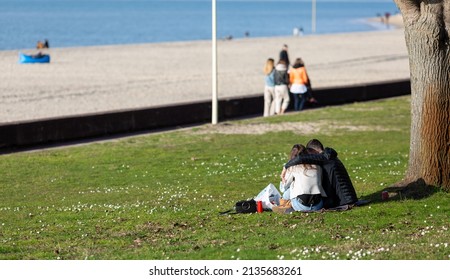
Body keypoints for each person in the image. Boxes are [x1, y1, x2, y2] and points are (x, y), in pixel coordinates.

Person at [280, 139, 358, 208]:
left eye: (309, 154)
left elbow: (300, 158)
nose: (309, 157)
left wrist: (286, 166)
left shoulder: (324, 158)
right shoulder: (329, 157)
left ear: (312, 151)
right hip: (348, 198)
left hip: (343, 201)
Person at [274, 144, 327, 213]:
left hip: (301, 206)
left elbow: (283, 188)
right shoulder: (318, 166)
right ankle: (286, 204)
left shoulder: (293, 167)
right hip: (318, 205)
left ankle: (285, 204)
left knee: (290, 188)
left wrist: (283, 178)